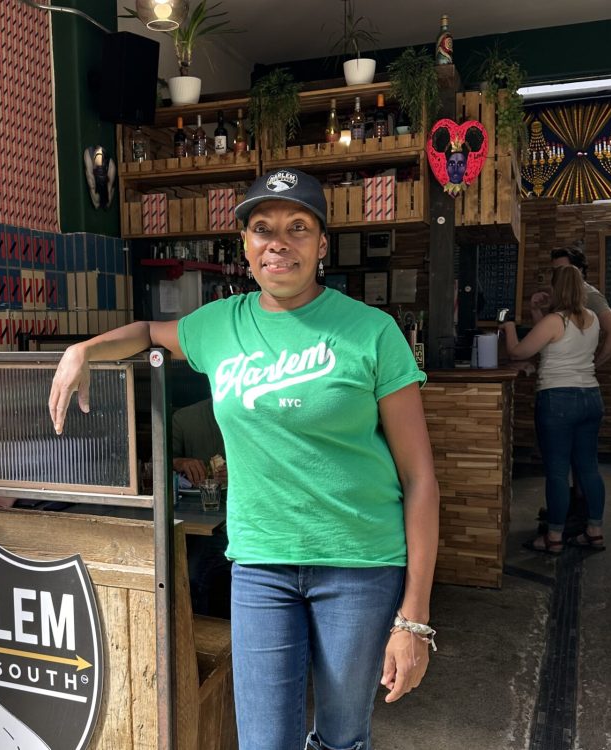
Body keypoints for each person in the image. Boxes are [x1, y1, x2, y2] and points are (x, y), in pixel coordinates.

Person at [48, 167, 439, 750]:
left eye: (298, 227)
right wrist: (83, 349)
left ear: (322, 244)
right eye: (263, 228)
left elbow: (420, 479)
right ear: (246, 247)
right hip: (260, 567)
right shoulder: (219, 326)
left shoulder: (371, 332)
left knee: (341, 736)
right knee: (262, 741)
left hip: (359, 565)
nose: (278, 241)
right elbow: (149, 333)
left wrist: (414, 620)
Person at [501, 264, 607, 553]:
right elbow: (552, 341)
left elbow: (518, 351)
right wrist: (538, 311)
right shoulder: (593, 319)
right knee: (589, 469)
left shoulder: (555, 321)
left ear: (556, 289)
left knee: (558, 472)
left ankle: (554, 538)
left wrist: (509, 327)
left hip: (558, 400)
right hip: (591, 398)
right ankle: (595, 532)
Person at [172, 397, 230, 617]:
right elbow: (158, 460)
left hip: (233, 522)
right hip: (190, 516)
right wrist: (180, 462)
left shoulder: (255, 411)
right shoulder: (185, 418)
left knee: (194, 574)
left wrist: (239, 474)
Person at [172, 397, 226, 487]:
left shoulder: (256, 417)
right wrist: (179, 463)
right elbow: (157, 465)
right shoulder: (183, 418)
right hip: (193, 497)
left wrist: (240, 474)